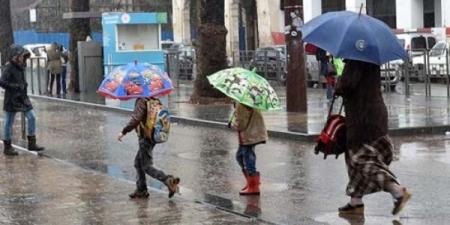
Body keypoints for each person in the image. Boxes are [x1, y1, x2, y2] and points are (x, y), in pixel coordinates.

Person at [335, 60, 411, 215]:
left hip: (363, 118)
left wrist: (338, 82)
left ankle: (397, 191)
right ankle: (355, 201)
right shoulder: (370, 59)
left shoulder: (355, 61)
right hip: (373, 115)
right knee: (352, 158)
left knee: (362, 161)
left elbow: (348, 85)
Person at [117, 97, 180, 199]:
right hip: (153, 135)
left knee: (146, 166)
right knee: (138, 163)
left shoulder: (141, 100)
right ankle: (141, 190)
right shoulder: (154, 99)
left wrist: (123, 131)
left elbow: (136, 118)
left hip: (145, 137)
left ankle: (168, 180)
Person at [0, 44, 45, 155]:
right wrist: (15, 86)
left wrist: (24, 85)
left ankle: (32, 143)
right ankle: (7, 147)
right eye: (21, 55)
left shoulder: (22, 66)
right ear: (15, 56)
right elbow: (2, 82)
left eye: (23, 55)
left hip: (23, 97)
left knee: (32, 117)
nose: (22, 57)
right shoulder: (9, 67)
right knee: (8, 122)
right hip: (12, 98)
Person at [229, 102, 268, 195]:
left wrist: (233, 124)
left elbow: (241, 123)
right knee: (240, 156)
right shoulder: (248, 100)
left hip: (249, 135)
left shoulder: (242, 103)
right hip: (250, 134)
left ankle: (253, 186)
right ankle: (251, 182)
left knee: (247, 158)